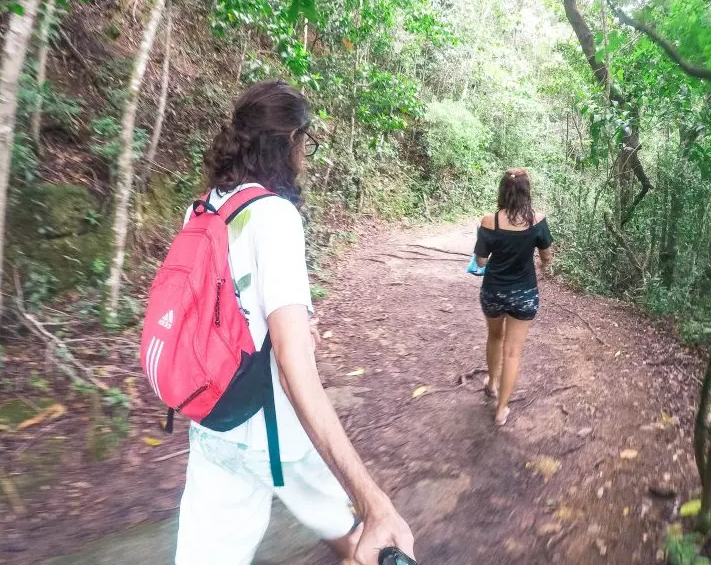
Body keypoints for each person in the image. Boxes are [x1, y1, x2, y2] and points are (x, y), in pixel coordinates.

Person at [175, 80, 414, 565]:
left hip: (212, 425)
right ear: (290, 143)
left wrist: (290, 329)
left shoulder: (203, 208)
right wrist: (374, 499)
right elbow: (291, 365)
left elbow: (223, 313)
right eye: (307, 141)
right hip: (275, 434)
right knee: (359, 542)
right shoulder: (274, 216)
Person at [473, 169, 554, 428]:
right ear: (526, 192)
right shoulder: (538, 221)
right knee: (513, 351)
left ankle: (492, 383)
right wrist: (542, 268)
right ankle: (501, 410)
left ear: (502, 191)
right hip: (524, 294)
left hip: (494, 291)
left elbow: (481, 261)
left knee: (494, 336)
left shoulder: (489, 221)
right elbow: (546, 258)